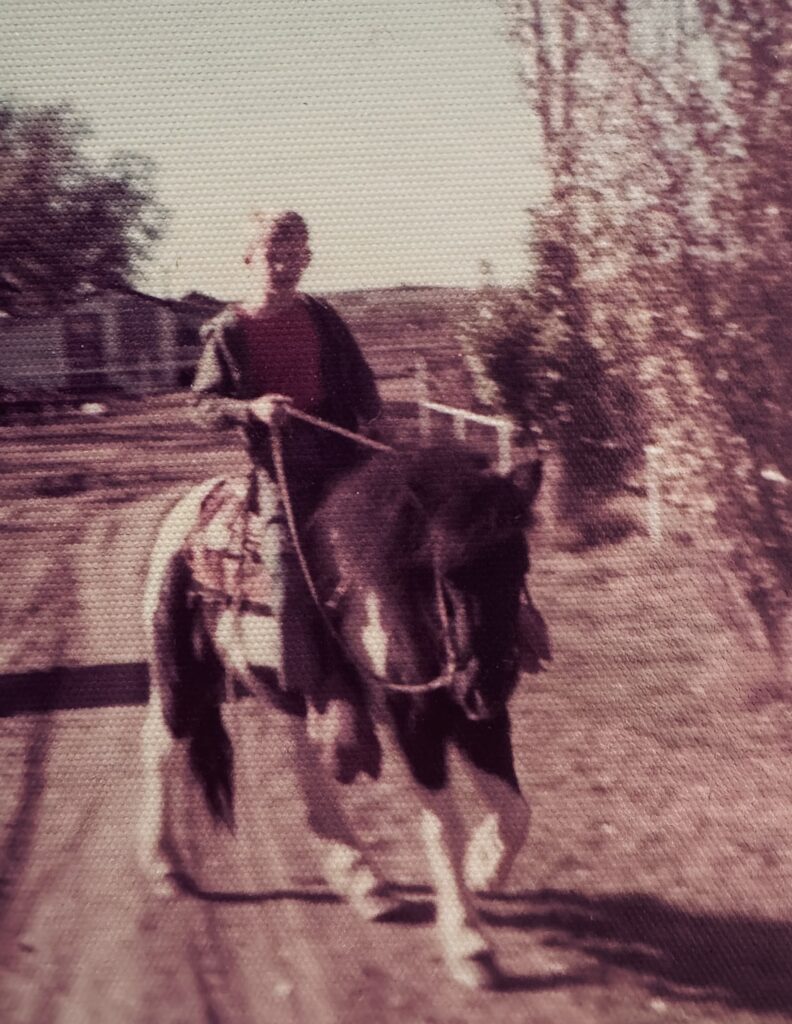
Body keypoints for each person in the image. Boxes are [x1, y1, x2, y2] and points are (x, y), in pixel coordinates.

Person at [191, 210, 382, 778]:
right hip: (284, 469)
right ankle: (317, 689)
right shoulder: (229, 329)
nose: (284, 266)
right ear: (249, 258)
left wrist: (371, 419)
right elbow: (202, 405)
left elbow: (362, 381)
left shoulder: (322, 315)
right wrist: (249, 408)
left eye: (295, 255)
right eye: (272, 255)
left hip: (347, 458)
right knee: (286, 563)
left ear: (308, 259)